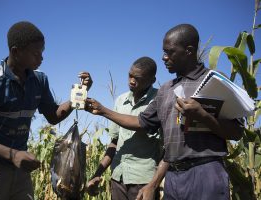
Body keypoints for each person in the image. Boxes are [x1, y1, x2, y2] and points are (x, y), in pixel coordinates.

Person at [86, 24, 243, 200]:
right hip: (173, 178)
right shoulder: (166, 90)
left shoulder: (214, 81)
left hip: (205, 172)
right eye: (164, 51)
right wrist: (102, 110)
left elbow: (237, 132)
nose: (164, 57)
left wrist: (203, 116)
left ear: (189, 51)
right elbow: (140, 122)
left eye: (170, 52)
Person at [0, 21, 92, 200]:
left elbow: (53, 116)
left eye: (42, 52)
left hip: (21, 171)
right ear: (16, 51)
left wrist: (80, 95)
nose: (41, 58)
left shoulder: (39, 81)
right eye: (36, 53)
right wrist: (12, 154)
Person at [87, 57, 163, 200]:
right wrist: (97, 173)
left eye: (138, 78)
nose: (132, 81)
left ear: (152, 80)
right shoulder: (121, 101)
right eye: (130, 75)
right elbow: (114, 143)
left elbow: (141, 123)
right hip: (118, 177)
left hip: (143, 180)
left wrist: (103, 110)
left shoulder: (159, 99)